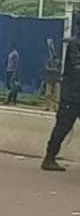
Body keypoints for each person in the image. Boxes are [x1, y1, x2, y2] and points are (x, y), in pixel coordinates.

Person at [42, 25, 80, 171]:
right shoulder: (75, 44)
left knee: (62, 127)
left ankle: (50, 157)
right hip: (72, 96)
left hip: (75, 94)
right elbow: (77, 68)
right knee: (62, 127)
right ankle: (49, 158)